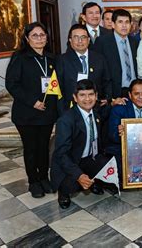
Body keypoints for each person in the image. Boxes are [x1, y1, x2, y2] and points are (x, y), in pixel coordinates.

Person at [6, 22, 57, 198]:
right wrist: (33, 102)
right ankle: (33, 181)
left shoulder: (51, 58)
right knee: (31, 148)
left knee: (44, 147)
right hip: (26, 113)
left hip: (47, 113)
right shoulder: (19, 57)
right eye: (35, 35)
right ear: (27, 38)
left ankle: (44, 178)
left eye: (42, 35)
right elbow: (11, 84)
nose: (39, 38)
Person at [50, 79, 112, 209]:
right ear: (75, 98)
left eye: (90, 94)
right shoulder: (66, 120)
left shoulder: (96, 113)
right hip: (70, 161)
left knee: (109, 165)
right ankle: (64, 193)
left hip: (89, 157)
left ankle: (93, 181)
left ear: (96, 96)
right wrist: (79, 175)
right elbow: (61, 154)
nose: (87, 99)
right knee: (73, 184)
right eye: (82, 95)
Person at [107, 79, 142, 179]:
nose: (141, 97)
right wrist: (120, 133)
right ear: (130, 94)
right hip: (126, 149)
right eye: (136, 94)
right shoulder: (119, 109)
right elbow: (112, 136)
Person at [56, 24, 112, 116]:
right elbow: (59, 88)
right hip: (71, 110)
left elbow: (107, 81)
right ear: (70, 40)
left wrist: (107, 98)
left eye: (83, 37)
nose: (80, 41)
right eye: (76, 37)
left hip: (97, 110)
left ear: (89, 40)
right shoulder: (62, 60)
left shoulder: (99, 58)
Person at [93, 9, 139, 98]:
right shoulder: (103, 42)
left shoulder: (134, 42)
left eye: (127, 22)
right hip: (113, 92)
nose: (124, 25)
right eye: (120, 22)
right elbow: (97, 70)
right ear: (113, 24)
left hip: (134, 91)